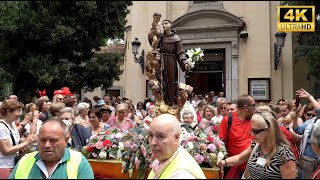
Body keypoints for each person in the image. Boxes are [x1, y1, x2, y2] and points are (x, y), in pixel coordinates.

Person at [219, 112, 297, 179]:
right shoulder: (256, 145)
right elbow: (239, 158)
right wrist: (221, 162)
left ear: (269, 130)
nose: (252, 134)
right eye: (252, 130)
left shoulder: (284, 153)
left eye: (256, 131)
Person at [9, 118, 94, 179]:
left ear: (66, 140)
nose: (47, 145)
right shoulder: (25, 161)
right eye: (42, 140)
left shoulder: (79, 161)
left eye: (53, 140)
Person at [147, 114, 206, 179]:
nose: (153, 142)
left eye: (160, 136)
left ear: (176, 138)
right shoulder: (162, 159)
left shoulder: (182, 175)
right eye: (150, 135)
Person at [149, 19, 190, 107]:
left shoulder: (176, 38)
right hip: (162, 62)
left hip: (171, 62)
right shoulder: (161, 37)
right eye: (163, 23)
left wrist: (184, 63)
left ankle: (172, 103)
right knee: (162, 81)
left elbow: (180, 53)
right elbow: (153, 42)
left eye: (166, 23)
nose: (164, 25)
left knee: (172, 82)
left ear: (171, 25)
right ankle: (163, 102)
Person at [218, 94, 256, 178]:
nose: (255, 109)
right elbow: (220, 143)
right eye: (253, 106)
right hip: (233, 167)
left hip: (252, 168)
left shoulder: (255, 120)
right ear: (246, 107)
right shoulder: (228, 120)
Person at [0, 99, 38, 178]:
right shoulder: (1, 127)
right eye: (18, 111)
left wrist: (21, 143)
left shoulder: (12, 123)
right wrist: (26, 142)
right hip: (4, 166)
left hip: (12, 164)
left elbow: (12, 137)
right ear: (8, 111)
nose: (20, 114)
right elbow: (6, 151)